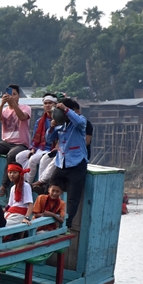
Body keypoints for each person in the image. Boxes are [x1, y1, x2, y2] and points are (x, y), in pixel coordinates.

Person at [46, 97, 88, 228]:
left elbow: (80, 123)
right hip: (62, 163)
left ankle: (66, 224)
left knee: (73, 197)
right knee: (51, 186)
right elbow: (48, 139)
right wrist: (52, 128)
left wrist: (66, 109)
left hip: (76, 164)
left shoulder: (79, 122)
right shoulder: (61, 125)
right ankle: (49, 216)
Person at [0, 84, 31, 197]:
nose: (12, 97)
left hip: (21, 143)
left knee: (11, 155)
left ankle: (4, 186)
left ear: (19, 96)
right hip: (6, 142)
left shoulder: (26, 108)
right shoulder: (4, 110)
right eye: (10, 94)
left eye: (14, 95)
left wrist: (13, 104)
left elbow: (22, 117)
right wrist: (2, 104)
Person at [17, 94, 56, 190]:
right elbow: (35, 138)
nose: (47, 105)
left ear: (55, 104)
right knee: (20, 156)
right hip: (39, 148)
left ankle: (29, 184)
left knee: (33, 160)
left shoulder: (58, 120)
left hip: (50, 149)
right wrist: (33, 149)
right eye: (45, 103)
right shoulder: (40, 121)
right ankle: (21, 180)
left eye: (50, 103)